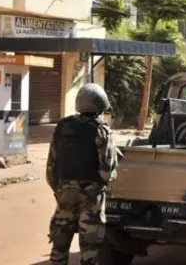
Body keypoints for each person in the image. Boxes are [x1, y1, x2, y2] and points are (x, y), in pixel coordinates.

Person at [47, 83, 120, 265]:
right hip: (91, 198)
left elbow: (51, 168)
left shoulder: (62, 127)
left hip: (65, 195)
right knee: (90, 253)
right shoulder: (102, 130)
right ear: (99, 105)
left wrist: (61, 190)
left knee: (59, 249)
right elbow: (107, 171)